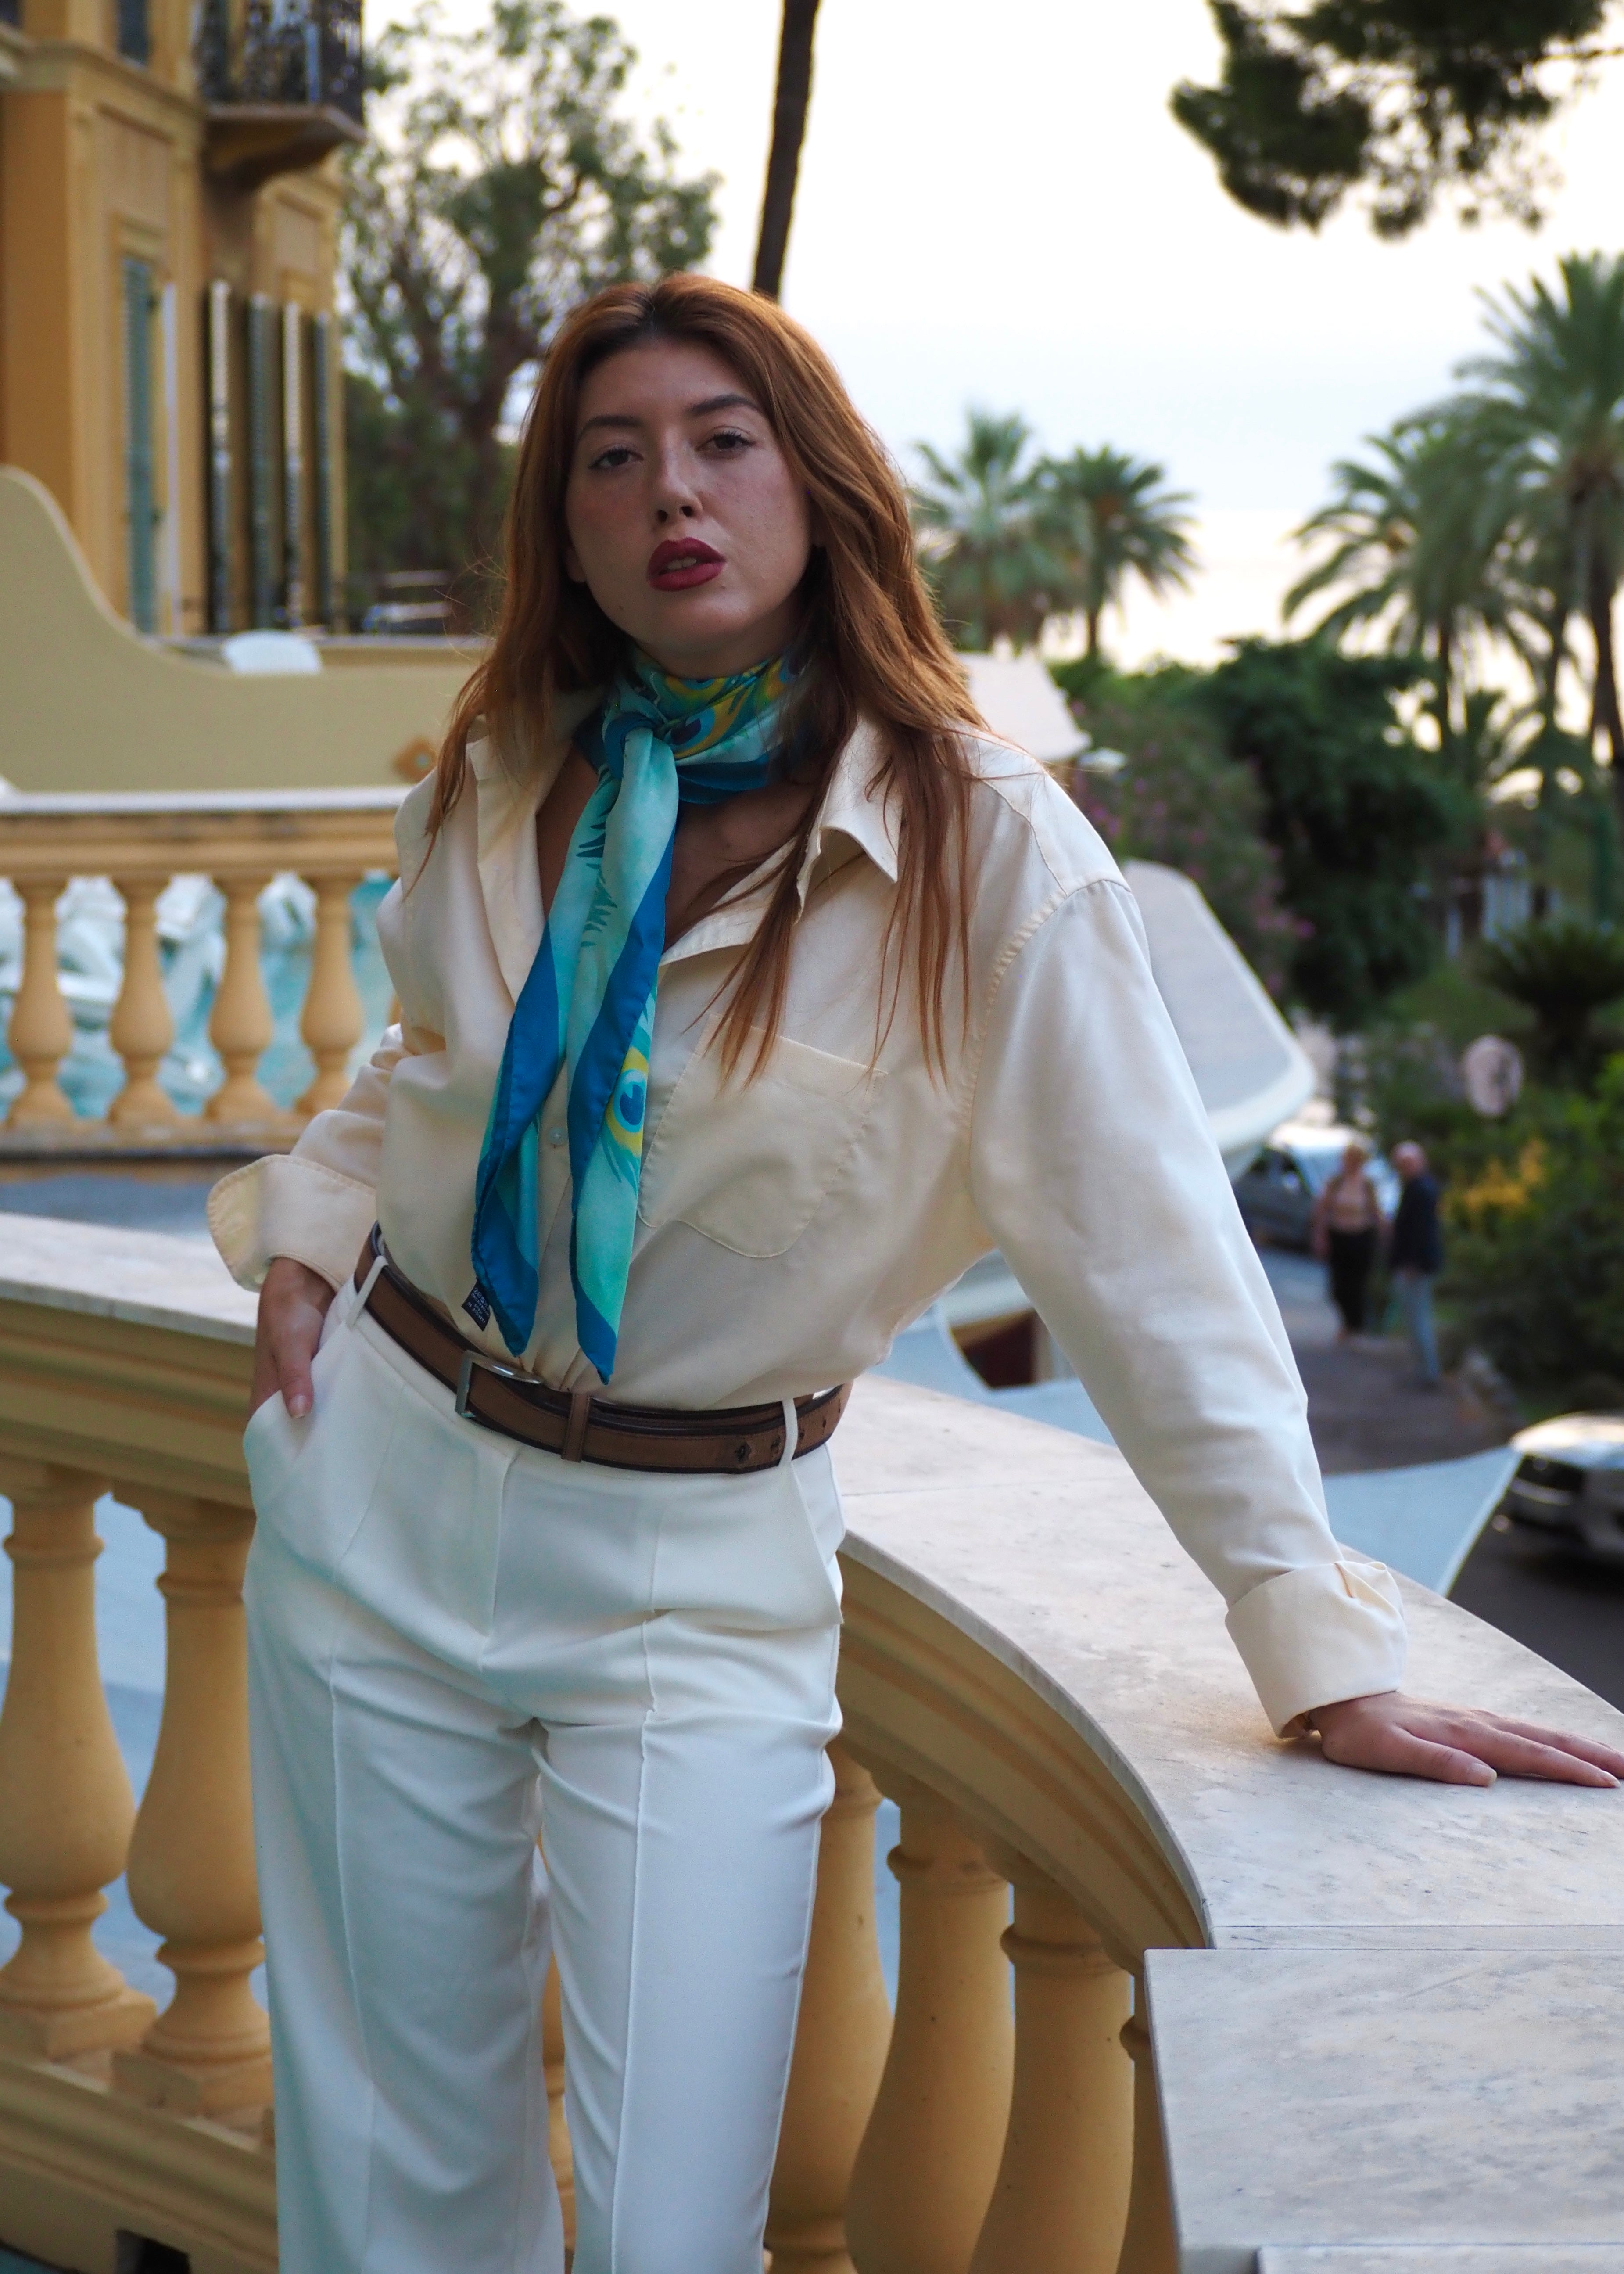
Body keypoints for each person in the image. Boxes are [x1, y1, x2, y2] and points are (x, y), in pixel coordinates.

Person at [209, 274, 1624, 2274]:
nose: (670, 492)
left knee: (671, 2229)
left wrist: (1314, 1649)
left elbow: (1151, 1263)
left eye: (722, 441)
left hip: (693, 1579)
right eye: (612, 458)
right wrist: (307, 1219)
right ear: (568, 532)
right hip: (380, 1499)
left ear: (820, 488)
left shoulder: (984, 850)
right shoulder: (506, 766)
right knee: (394, 2206)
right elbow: (427, 1059)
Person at [1312, 1139, 1386, 1339]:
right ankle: (1348, 1321)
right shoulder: (1336, 1182)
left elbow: (1375, 1211)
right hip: (1339, 1236)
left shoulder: (1367, 1184)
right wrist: (1320, 1236)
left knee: (1358, 1283)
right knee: (1338, 1285)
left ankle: (1355, 1325)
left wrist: (1385, 1233)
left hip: (1361, 1237)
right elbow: (1322, 1210)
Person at [1390, 1139, 1445, 1385]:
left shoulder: (1420, 1190)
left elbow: (1420, 1231)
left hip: (1416, 1265)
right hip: (1417, 1263)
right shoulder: (1419, 1187)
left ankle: (1428, 1373)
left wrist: (1412, 1262)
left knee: (1418, 1319)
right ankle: (1424, 1370)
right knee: (1416, 1318)